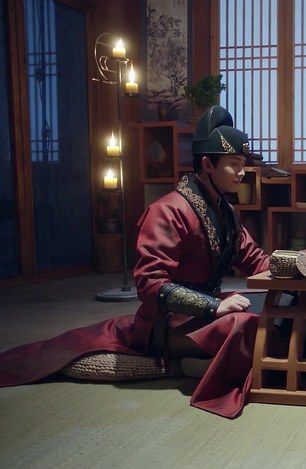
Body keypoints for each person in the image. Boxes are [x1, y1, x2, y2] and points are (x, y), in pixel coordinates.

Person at [0, 105, 273, 418]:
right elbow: (151, 285)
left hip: (208, 314)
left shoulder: (227, 213)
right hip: (170, 322)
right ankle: (192, 364)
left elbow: (254, 260)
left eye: (243, 164)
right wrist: (213, 306)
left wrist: (295, 269)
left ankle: (210, 358)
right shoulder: (168, 211)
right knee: (244, 323)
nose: (242, 172)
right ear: (208, 164)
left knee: (270, 309)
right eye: (234, 164)